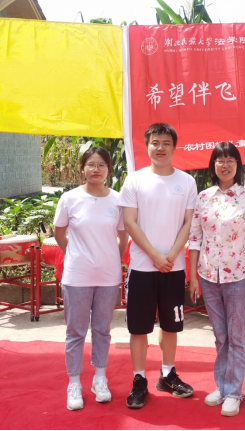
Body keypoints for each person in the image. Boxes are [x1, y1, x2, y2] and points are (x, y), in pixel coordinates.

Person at [119, 123, 197, 409]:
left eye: (166, 142)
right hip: (142, 268)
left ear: (174, 147)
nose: (160, 147)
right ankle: (139, 379)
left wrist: (172, 255)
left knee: (171, 325)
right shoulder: (135, 181)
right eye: (155, 142)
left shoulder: (186, 182)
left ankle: (167, 375)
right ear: (147, 146)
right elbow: (130, 223)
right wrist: (154, 255)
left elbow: (188, 223)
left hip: (173, 269)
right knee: (139, 328)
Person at [188, 142, 245, 417]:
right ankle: (221, 386)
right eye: (220, 160)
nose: (225, 165)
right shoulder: (204, 197)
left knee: (235, 335)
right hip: (208, 275)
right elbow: (195, 238)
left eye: (230, 160)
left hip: (238, 275)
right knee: (220, 336)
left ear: (237, 165)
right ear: (213, 165)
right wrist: (193, 276)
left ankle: (234, 392)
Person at [54, 147, 129, 411]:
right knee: (75, 331)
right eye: (91, 164)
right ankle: (74, 383)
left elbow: (123, 236)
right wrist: (76, 254)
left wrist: (112, 259)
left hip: (108, 277)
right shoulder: (70, 198)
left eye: (101, 165)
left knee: (102, 329)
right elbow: (59, 232)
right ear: (83, 168)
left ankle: (100, 379)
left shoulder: (117, 200)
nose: (96, 170)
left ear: (109, 169)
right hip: (77, 276)